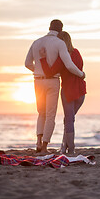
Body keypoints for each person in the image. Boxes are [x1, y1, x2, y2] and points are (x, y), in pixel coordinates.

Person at [25, 20, 85, 154]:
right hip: (53, 81)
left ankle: (38, 142)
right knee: (51, 114)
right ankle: (46, 147)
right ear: (60, 29)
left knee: (41, 113)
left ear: (49, 27)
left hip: (37, 80)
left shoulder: (36, 42)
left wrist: (38, 71)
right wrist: (81, 74)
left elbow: (27, 63)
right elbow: (69, 65)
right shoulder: (60, 43)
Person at [39, 31, 86, 154]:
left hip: (68, 91)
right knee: (69, 120)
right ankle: (64, 146)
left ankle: (71, 149)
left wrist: (43, 58)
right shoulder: (77, 52)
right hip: (81, 91)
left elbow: (49, 72)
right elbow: (80, 68)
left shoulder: (62, 58)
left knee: (69, 120)